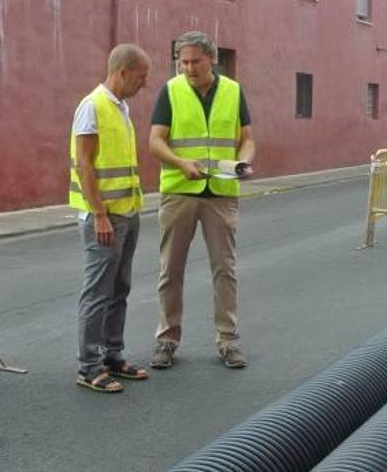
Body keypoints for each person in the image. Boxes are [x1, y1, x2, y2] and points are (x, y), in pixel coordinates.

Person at [148, 31, 256, 370]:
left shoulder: (234, 91)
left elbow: (247, 139)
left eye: (195, 61)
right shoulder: (171, 90)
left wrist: (244, 163)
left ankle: (228, 340)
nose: (189, 68)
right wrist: (181, 163)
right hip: (180, 190)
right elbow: (155, 140)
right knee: (171, 270)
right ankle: (167, 339)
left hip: (221, 194)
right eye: (183, 62)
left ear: (212, 59)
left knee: (224, 269)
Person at [70, 44, 151, 393]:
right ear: (122, 71)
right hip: (104, 218)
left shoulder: (121, 108)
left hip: (127, 213)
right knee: (98, 292)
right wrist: (100, 214)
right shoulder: (92, 106)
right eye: (141, 76)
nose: (144, 83)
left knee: (120, 288)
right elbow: (84, 164)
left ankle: (112, 356)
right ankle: (88, 367)